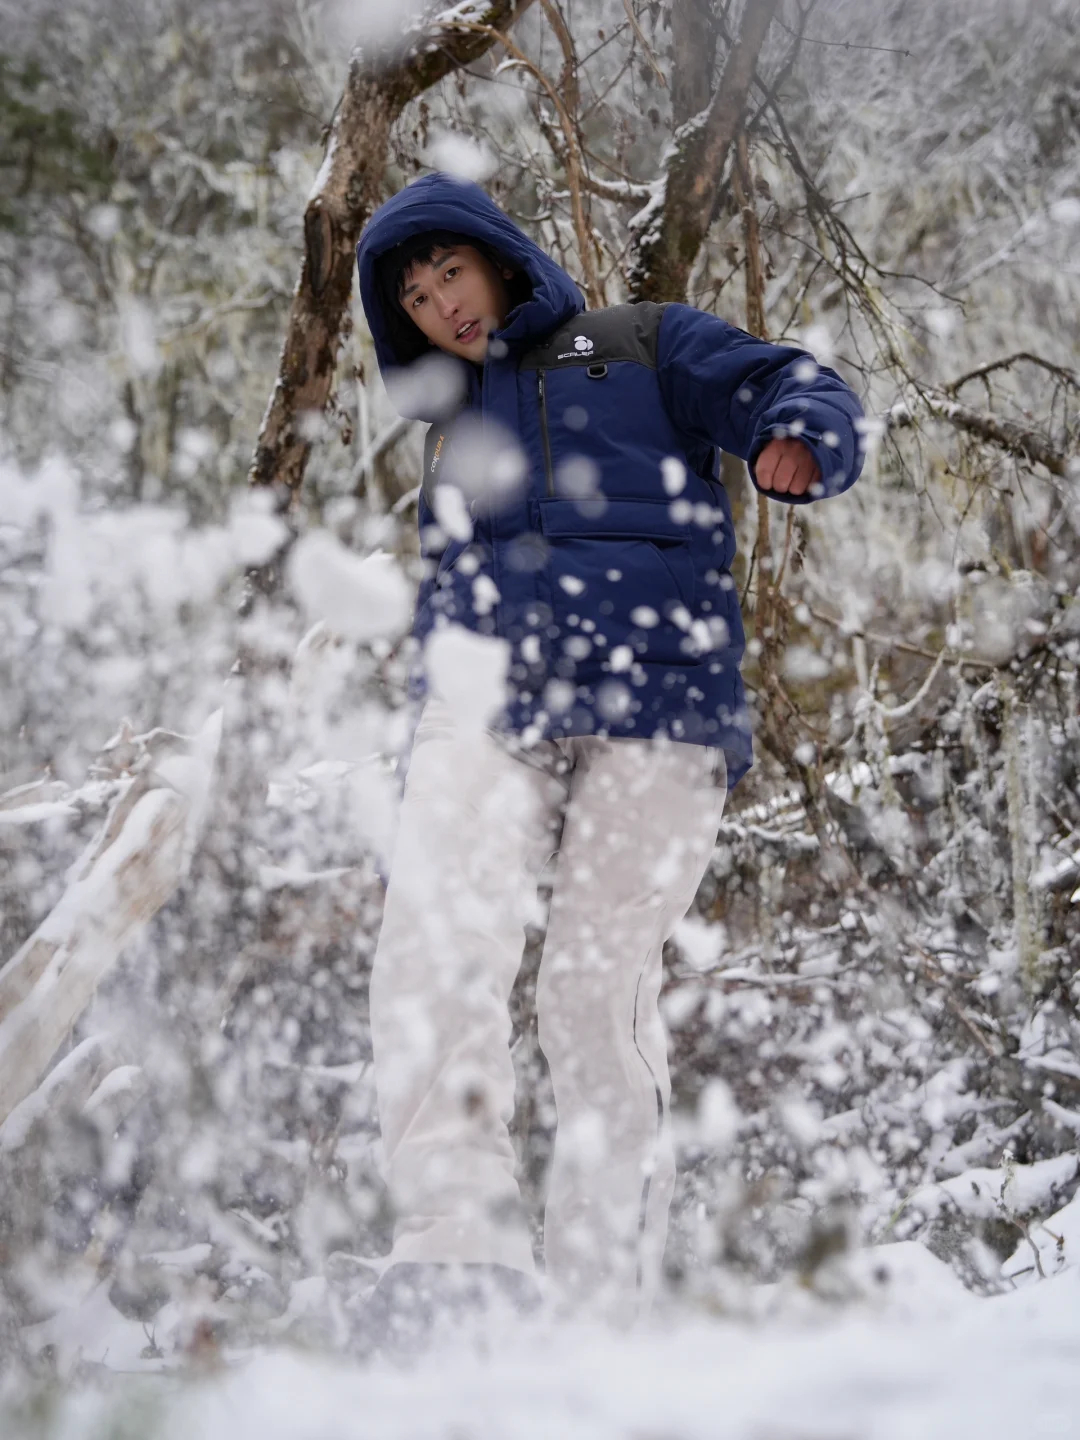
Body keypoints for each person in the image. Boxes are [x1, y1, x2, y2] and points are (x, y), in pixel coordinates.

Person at [353, 172, 864, 1340]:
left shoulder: (638, 345)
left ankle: (598, 1307)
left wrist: (803, 433)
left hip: (658, 705)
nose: (445, 306)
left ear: (497, 259)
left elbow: (784, 378)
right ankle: (454, 1253)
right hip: (491, 712)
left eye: (452, 274)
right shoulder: (452, 443)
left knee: (588, 997)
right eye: (419, 300)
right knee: (434, 942)